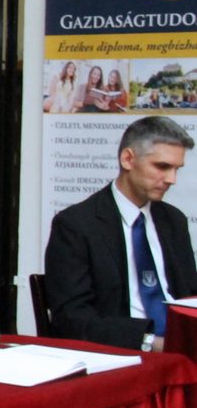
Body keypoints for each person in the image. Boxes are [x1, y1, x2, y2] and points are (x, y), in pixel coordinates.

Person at [44, 115, 197, 350]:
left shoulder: (173, 220)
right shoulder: (76, 225)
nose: (171, 179)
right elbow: (72, 317)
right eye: (162, 166)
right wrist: (148, 342)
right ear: (128, 159)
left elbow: (190, 296)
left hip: (182, 349)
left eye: (177, 169)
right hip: (121, 352)